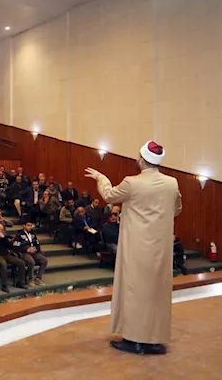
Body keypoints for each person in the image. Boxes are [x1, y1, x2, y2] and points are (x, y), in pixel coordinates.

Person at [85, 140, 182, 355]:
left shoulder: (132, 182)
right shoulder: (172, 183)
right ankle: (154, 341)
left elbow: (109, 196)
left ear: (142, 160)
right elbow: (176, 209)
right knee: (157, 292)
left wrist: (102, 178)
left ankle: (135, 340)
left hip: (137, 246)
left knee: (135, 291)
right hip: (161, 248)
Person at [0, 223, 27, 291]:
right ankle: (4, 285)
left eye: (1, 229)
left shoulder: (4, 237)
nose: (0, 231)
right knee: (3, 264)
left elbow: (10, 246)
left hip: (6, 255)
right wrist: (0, 239)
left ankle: (20, 282)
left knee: (22, 263)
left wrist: (4, 238)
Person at [12, 222, 47, 286]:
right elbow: (15, 246)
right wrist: (26, 250)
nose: (30, 227)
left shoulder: (33, 234)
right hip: (24, 252)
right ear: (24, 226)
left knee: (44, 260)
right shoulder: (19, 234)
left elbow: (37, 244)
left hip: (34, 252)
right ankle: (30, 279)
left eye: (31, 225)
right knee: (31, 261)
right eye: (28, 225)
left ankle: (38, 278)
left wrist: (35, 249)